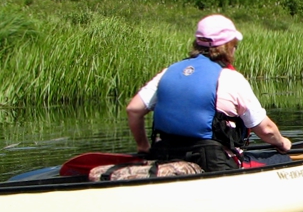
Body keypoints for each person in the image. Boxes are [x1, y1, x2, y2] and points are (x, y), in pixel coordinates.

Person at [125, 14, 292, 172]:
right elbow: (266, 129)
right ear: (227, 47)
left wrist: (143, 147)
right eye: (234, 45)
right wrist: (282, 143)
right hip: (212, 163)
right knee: (282, 159)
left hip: (164, 158)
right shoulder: (230, 78)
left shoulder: (167, 72)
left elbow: (134, 110)